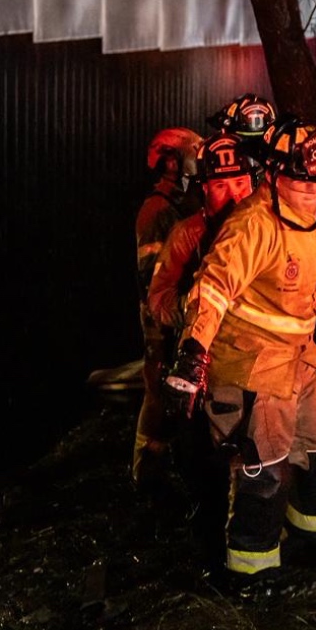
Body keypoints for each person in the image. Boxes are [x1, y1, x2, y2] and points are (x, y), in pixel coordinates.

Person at [162, 117, 316, 589]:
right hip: (251, 363)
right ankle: (251, 572)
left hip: (302, 356)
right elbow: (212, 291)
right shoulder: (251, 224)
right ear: (273, 173)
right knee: (265, 474)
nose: (313, 191)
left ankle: (312, 530)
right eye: (303, 181)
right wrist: (192, 355)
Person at [146, 100, 272, 507]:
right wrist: (199, 308)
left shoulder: (271, 227)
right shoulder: (188, 235)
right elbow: (158, 299)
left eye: (240, 184)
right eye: (220, 186)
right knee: (206, 464)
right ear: (204, 190)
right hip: (207, 368)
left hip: (263, 365)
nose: (233, 195)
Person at [133, 126, 202, 489]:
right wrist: (166, 320)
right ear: (172, 163)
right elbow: (152, 276)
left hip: (174, 312)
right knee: (157, 390)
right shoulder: (158, 209)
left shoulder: (180, 203)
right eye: (191, 154)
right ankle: (145, 471)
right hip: (160, 319)